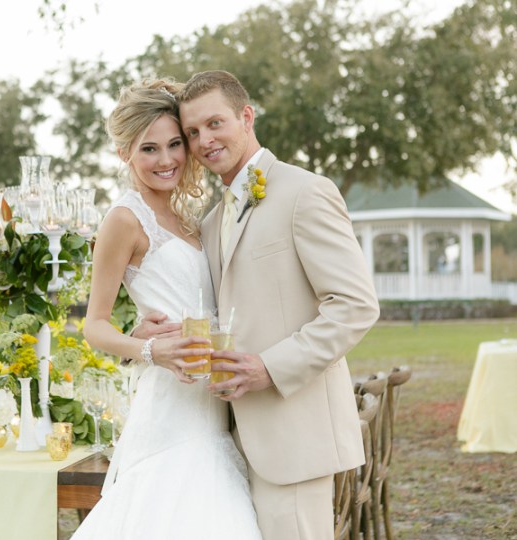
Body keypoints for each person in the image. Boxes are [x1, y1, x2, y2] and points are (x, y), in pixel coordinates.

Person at [136, 70, 380, 539]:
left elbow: (354, 305)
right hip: (224, 439)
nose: (204, 141)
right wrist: (146, 336)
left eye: (215, 123)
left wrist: (269, 367)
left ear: (246, 117)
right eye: (192, 132)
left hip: (294, 436)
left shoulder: (305, 192)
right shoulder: (211, 221)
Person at [71, 78, 263, 539]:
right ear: (125, 154)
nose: (167, 159)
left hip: (213, 404)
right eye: (149, 149)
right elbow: (94, 324)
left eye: (175, 144)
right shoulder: (124, 219)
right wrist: (150, 349)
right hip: (170, 409)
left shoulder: (189, 220)